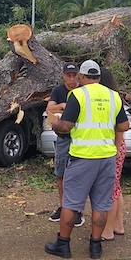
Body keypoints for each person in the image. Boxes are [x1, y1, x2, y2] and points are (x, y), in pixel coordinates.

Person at [44, 59, 129, 260]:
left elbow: (66, 126)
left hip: (82, 156)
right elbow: (124, 126)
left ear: (82, 77)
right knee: (101, 203)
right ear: (99, 77)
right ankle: (95, 247)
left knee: (72, 202)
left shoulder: (78, 94)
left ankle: (63, 244)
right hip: (107, 157)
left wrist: (55, 123)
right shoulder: (113, 96)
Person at [46, 63, 83, 228]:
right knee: (61, 174)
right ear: (63, 76)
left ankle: (77, 211)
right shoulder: (59, 91)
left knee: (79, 176)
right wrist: (62, 106)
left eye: (74, 75)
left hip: (80, 137)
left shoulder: (83, 91)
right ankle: (63, 207)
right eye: (69, 75)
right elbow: (49, 108)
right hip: (63, 137)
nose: (72, 78)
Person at [99, 68, 127, 241]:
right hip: (117, 146)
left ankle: (108, 230)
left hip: (114, 147)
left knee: (110, 190)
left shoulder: (109, 99)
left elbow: (120, 127)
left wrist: (116, 148)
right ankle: (118, 225)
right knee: (116, 187)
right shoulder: (114, 97)